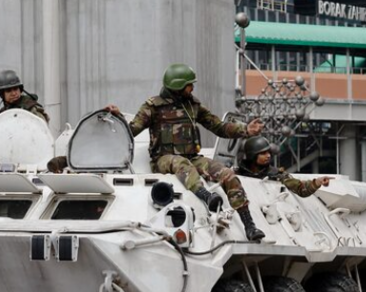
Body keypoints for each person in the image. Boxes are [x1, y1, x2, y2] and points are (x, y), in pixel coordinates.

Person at [103, 63, 266, 241]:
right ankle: (206, 196)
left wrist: (246, 130)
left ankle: (249, 225)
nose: (192, 87)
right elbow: (131, 130)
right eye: (189, 85)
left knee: (228, 175)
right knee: (182, 164)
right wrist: (118, 117)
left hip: (192, 157)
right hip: (164, 159)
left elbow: (218, 126)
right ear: (178, 87)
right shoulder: (153, 107)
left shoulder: (193, 106)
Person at [236, 135, 330, 197]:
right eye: (263, 153)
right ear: (253, 155)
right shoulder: (237, 173)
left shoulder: (277, 175)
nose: (268, 155)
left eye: (269, 152)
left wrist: (317, 182)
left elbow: (301, 189)